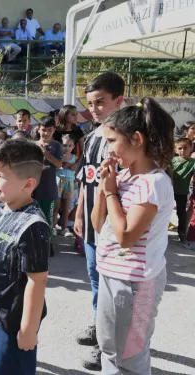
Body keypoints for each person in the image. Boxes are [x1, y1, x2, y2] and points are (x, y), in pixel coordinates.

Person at [91, 98, 174, 375]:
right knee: (110, 346)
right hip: (111, 272)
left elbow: (126, 236)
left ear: (136, 139)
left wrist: (112, 192)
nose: (108, 149)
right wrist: (105, 188)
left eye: (112, 140)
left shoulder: (153, 183)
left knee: (130, 354)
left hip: (133, 282)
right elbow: (98, 223)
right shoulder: (124, 176)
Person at [0, 138, 49, 375]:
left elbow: (36, 280)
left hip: (13, 322)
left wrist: (28, 329)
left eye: (1, 177)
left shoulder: (33, 225)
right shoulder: (0, 207)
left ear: (28, 183)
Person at [73, 72, 125, 371]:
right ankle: (99, 327)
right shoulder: (93, 137)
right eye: (91, 103)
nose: (95, 108)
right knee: (95, 282)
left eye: (101, 102)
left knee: (113, 289)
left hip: (115, 229)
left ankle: (109, 347)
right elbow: (85, 180)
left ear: (120, 100)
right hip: (93, 226)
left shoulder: (128, 140)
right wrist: (79, 213)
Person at [33, 116, 62, 257]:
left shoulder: (56, 145)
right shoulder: (33, 145)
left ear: (54, 131)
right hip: (33, 190)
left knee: (48, 219)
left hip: (49, 190)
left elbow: (59, 164)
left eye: (49, 130)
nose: (46, 133)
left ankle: (47, 244)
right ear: (38, 129)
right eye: (43, 130)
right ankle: (35, 243)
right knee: (34, 218)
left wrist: (45, 153)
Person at [172, 138, 195, 244]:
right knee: (162, 210)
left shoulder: (192, 163)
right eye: (180, 148)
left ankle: (181, 233)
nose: (182, 151)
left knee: (181, 213)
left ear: (191, 148)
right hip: (168, 190)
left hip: (181, 192)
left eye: (185, 148)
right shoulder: (172, 160)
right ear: (176, 150)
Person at [54, 135, 77, 238]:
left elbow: (76, 168)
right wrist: (61, 164)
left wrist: (73, 167)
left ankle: (64, 228)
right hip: (58, 182)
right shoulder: (57, 157)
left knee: (66, 207)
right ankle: (53, 227)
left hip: (69, 183)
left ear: (73, 147)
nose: (67, 147)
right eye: (64, 145)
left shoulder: (75, 158)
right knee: (56, 206)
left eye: (69, 145)